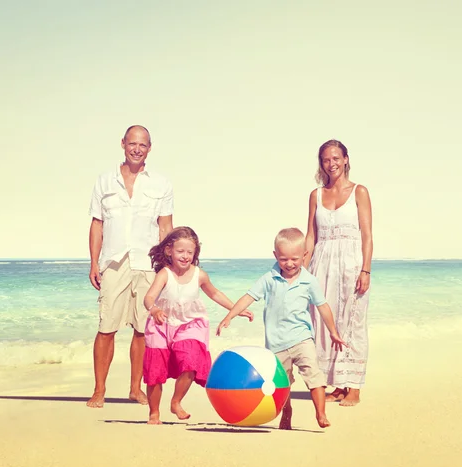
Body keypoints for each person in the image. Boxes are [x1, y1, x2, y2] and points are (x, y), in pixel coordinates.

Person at [217, 228, 345, 430]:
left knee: (314, 376)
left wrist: (333, 332)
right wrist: (230, 315)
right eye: (284, 259)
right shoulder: (269, 278)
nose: (290, 264)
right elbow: (249, 297)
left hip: (302, 339)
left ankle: (321, 413)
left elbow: (323, 306)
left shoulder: (309, 281)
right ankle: (286, 411)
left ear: (304, 255)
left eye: (295, 259)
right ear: (275, 255)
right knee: (281, 384)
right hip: (276, 344)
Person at [86, 125, 173, 408]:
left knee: (142, 329)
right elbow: (97, 224)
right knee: (106, 326)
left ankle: (135, 389)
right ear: (123, 143)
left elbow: (165, 227)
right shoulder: (104, 181)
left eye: (143, 145)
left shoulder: (161, 183)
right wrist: (93, 263)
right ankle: (99, 390)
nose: (137, 149)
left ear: (150, 148)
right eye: (132, 143)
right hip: (113, 261)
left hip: (148, 263)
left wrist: (168, 267)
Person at [143, 227, 253, 424]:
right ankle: (154, 413)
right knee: (155, 372)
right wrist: (154, 310)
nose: (185, 256)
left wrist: (236, 309)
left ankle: (176, 402)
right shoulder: (164, 274)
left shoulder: (199, 275)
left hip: (190, 324)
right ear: (169, 251)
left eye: (189, 252)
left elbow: (215, 294)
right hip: (161, 324)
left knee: (192, 361)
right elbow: (149, 297)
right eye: (180, 251)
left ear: (195, 253)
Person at [304, 139, 373, 407]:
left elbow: (367, 235)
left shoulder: (359, 191)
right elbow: (311, 236)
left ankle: (353, 386)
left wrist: (365, 269)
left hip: (351, 263)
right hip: (321, 263)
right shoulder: (316, 195)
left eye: (336, 158)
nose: (331, 164)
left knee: (352, 321)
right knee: (325, 322)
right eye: (325, 159)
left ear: (345, 159)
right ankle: (338, 383)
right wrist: (302, 271)